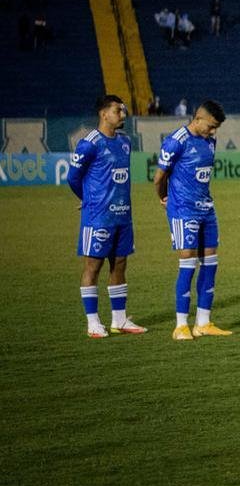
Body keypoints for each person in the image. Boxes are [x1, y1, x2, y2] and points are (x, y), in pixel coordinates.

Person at [67, 95, 145, 338]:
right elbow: (73, 177)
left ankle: (119, 320)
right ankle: (93, 323)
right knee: (93, 266)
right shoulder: (89, 143)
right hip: (98, 217)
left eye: (123, 110)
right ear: (103, 114)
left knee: (120, 263)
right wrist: (88, 200)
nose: (123, 114)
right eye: (117, 110)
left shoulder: (124, 142)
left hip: (122, 215)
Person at [155, 100, 232, 340]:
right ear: (198, 119)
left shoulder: (210, 140)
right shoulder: (176, 141)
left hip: (207, 209)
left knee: (210, 262)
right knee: (187, 262)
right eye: (211, 126)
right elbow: (159, 177)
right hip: (183, 210)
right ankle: (180, 325)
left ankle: (203, 322)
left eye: (216, 128)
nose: (213, 131)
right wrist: (164, 198)